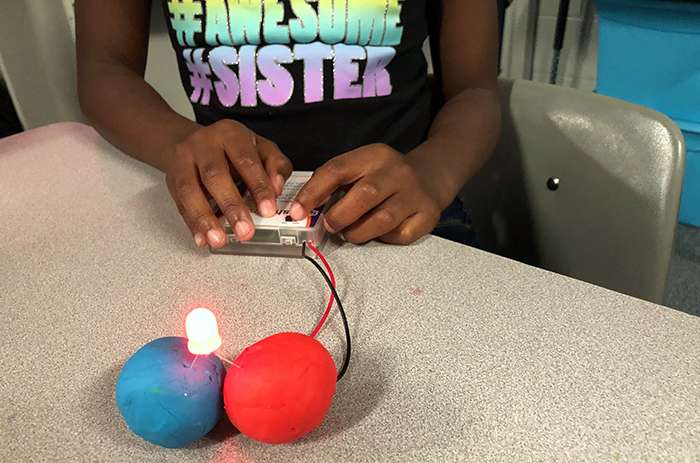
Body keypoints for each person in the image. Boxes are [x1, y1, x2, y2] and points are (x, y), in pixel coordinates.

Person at [75, 0, 501, 248]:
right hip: (232, 205)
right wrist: (181, 143)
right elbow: (104, 68)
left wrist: (433, 171)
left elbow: (475, 90)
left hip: (403, 203)